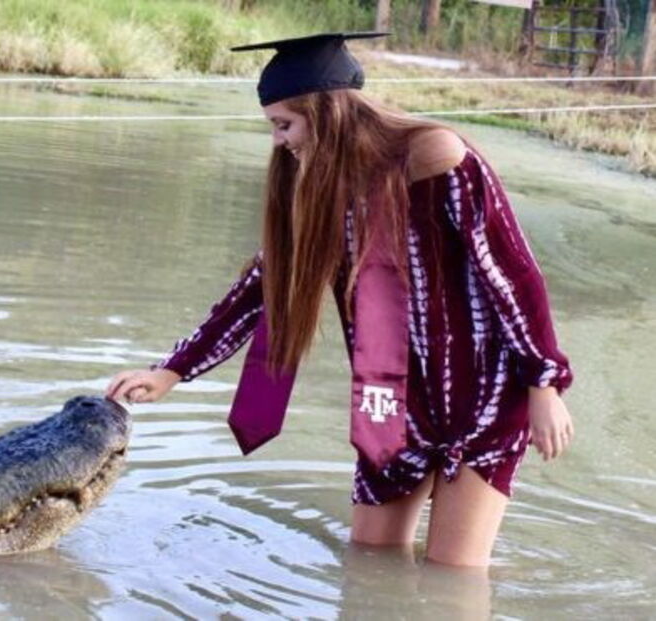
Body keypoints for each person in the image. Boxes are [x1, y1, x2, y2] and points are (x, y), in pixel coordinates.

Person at [106, 32, 574, 568]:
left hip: (482, 399)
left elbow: (512, 274)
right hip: (393, 403)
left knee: (452, 578)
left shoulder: (438, 158)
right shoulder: (321, 191)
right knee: (368, 563)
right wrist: (172, 370)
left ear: (325, 112)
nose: (279, 142)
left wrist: (544, 383)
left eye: (285, 124)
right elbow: (263, 285)